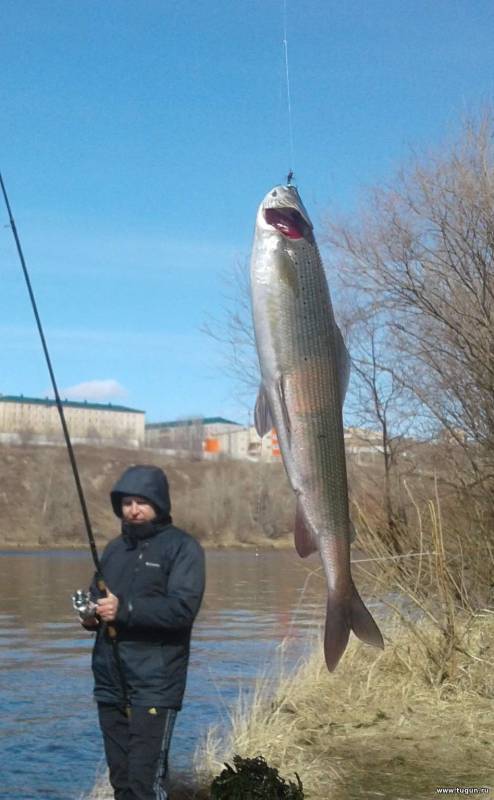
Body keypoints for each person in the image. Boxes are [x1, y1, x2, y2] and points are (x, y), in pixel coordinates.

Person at [79, 464, 205, 800]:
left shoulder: (183, 548)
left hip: (155, 682)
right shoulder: (114, 549)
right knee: (121, 781)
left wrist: (126, 610)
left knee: (145, 784)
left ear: (160, 503)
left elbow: (182, 610)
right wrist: (91, 615)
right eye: (127, 502)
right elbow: (98, 597)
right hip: (109, 680)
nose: (133, 510)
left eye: (142, 501)